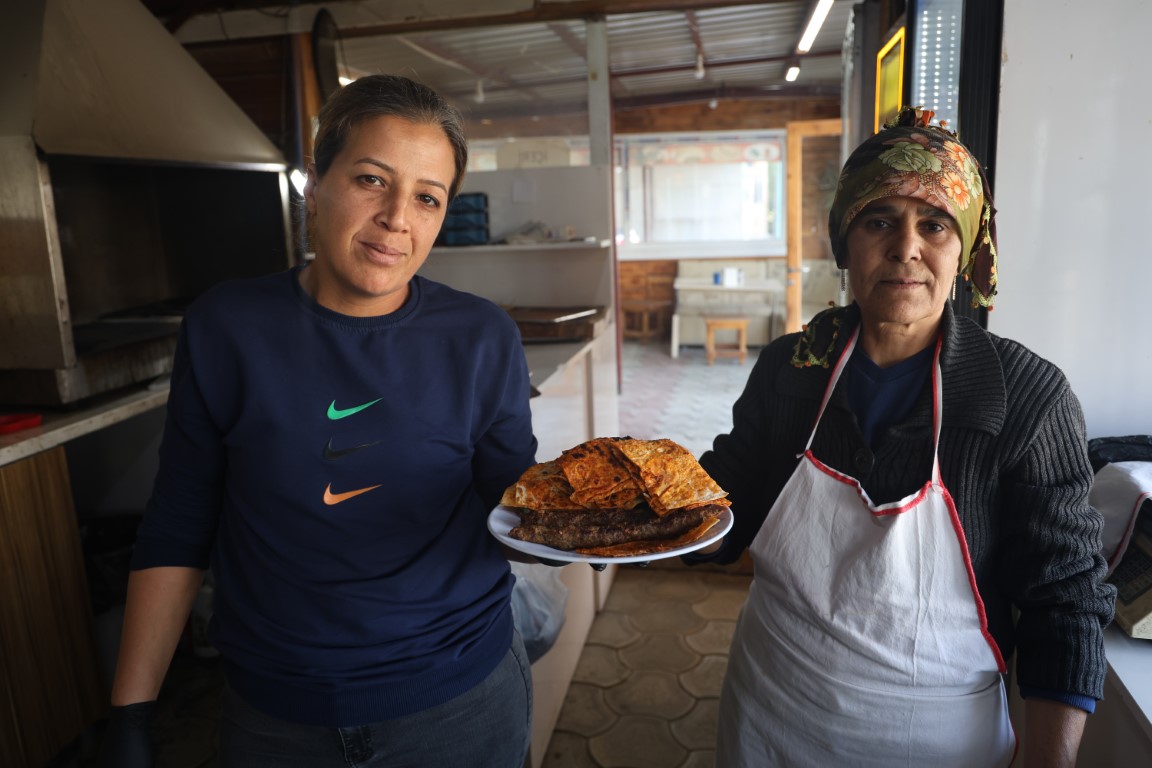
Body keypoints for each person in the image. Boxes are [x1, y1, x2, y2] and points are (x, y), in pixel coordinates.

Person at [99, 74, 538, 767]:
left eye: (428, 197)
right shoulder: (227, 326)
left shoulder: (481, 337)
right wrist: (130, 714)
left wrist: (593, 520)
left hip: (459, 701)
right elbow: (180, 520)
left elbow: (513, 504)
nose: (398, 216)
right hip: (277, 714)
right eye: (371, 179)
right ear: (315, 183)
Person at [693, 107, 1116, 767]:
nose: (906, 247)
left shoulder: (1028, 398)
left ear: (968, 248)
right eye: (879, 220)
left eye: (935, 224)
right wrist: (616, 522)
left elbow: (1065, 603)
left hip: (936, 740)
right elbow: (729, 503)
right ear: (846, 242)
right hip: (770, 715)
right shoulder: (790, 369)